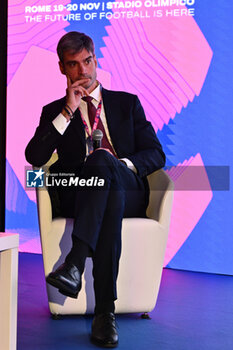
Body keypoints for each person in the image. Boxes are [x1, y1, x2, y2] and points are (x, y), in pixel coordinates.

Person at [25, 31, 165, 348]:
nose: (83, 71)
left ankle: (75, 262)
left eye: (87, 62)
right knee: (105, 193)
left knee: (105, 166)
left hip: (127, 188)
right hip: (82, 194)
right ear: (63, 69)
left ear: (95, 60)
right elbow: (34, 157)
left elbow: (156, 154)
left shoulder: (127, 104)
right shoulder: (55, 111)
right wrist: (68, 111)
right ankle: (105, 313)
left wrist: (119, 166)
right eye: (74, 65)